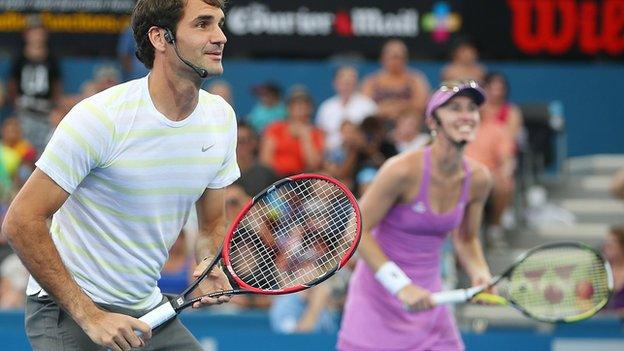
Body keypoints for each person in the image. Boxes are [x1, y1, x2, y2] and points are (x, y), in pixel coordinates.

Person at [2, 1, 239, 350]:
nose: (219, 37)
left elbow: (212, 223)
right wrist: (91, 316)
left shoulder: (221, 119)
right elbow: (21, 221)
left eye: (220, 24)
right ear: (160, 38)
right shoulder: (102, 118)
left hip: (146, 310)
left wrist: (207, 262)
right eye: (203, 24)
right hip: (67, 311)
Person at [338, 80, 493, 351]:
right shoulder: (401, 170)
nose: (466, 115)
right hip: (376, 303)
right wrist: (400, 286)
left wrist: (480, 272)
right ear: (433, 122)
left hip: (430, 303)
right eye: (455, 108)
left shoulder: (479, 179)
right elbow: (356, 228)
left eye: (472, 108)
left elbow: (467, 238)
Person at [7, 15, 62, 154]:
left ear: (45, 34)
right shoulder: (19, 58)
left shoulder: (51, 59)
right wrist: (15, 104)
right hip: (24, 111)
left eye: (39, 31)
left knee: (47, 146)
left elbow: (56, 87)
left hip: (45, 113)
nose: (36, 36)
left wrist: (55, 107)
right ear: (26, 35)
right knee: (23, 148)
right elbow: (12, 85)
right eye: (33, 31)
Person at [259, 86, 324, 177]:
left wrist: (305, 137)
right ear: (289, 108)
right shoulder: (275, 128)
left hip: (301, 179)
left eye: (304, 104)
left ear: (310, 108)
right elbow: (265, 160)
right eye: (296, 104)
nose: (301, 108)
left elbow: (314, 164)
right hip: (274, 178)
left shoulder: (316, 133)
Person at [361, 39, 430, 121]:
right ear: (383, 58)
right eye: (393, 57)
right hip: (378, 125)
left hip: (409, 125)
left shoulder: (416, 79)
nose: (396, 61)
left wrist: (398, 107)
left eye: (400, 58)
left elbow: (420, 105)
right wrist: (387, 110)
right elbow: (365, 106)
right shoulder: (371, 81)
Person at [316, 65, 377, 151]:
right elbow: (320, 135)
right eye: (343, 81)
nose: (347, 85)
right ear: (335, 83)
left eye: (350, 81)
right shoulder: (326, 107)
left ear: (356, 83)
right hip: (330, 154)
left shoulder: (368, 105)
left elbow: (373, 138)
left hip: (360, 153)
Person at [603, 225, 624, 314]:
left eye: (611, 243)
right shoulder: (599, 272)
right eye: (606, 243)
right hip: (603, 325)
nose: (606, 247)